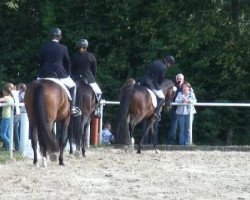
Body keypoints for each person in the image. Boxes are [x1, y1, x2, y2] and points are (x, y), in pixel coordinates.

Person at [37, 27, 81, 117]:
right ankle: (72, 108)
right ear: (59, 37)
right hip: (59, 73)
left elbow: (40, 61)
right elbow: (67, 62)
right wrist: (68, 73)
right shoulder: (63, 48)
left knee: (35, 86)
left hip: (44, 73)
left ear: (51, 36)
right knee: (73, 86)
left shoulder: (44, 47)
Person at [139, 55, 175, 120]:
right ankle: (155, 113)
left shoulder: (155, 62)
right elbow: (161, 81)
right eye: (170, 65)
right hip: (151, 84)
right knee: (162, 98)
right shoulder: (164, 68)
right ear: (169, 63)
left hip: (143, 81)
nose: (169, 66)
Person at [71, 38, 102, 115]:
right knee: (98, 92)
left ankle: (72, 107)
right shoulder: (90, 56)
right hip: (88, 78)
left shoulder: (74, 56)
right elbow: (94, 69)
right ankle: (97, 110)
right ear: (86, 46)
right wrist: (93, 78)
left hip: (76, 78)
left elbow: (72, 69)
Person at [166, 73, 185, 144]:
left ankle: (182, 143)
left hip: (184, 110)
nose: (179, 80)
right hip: (175, 110)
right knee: (173, 127)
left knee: (183, 128)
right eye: (178, 78)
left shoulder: (186, 87)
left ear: (183, 79)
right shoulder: (173, 87)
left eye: (180, 78)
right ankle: (169, 143)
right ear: (176, 79)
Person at [6, 83, 21, 151]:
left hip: (14, 114)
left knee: (11, 130)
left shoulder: (11, 93)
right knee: (15, 131)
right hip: (18, 114)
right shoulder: (16, 92)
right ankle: (16, 146)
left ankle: (11, 146)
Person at [0, 85, 14, 150]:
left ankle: (11, 146)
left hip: (5, 117)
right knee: (7, 133)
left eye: (3, 91)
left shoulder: (6, 97)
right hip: (9, 117)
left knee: (2, 134)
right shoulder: (11, 98)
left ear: (5, 91)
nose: (3, 93)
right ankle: (8, 147)